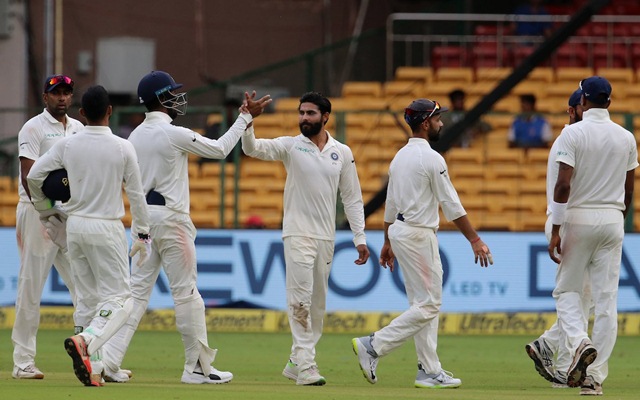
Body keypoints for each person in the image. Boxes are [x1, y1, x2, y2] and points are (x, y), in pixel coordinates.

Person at [99, 71, 272, 385]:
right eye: (172, 94)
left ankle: (109, 362)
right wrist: (244, 118)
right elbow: (220, 150)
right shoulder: (171, 133)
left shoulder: (134, 136)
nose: (178, 99)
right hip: (172, 220)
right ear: (162, 98)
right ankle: (195, 368)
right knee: (187, 295)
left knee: (135, 297)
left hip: (143, 220)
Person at [351, 98, 493, 389]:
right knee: (429, 306)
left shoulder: (400, 157)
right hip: (418, 235)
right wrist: (475, 239)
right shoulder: (432, 158)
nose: (442, 123)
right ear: (426, 123)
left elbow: (390, 205)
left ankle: (429, 370)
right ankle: (373, 345)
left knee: (421, 304)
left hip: (402, 232)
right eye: (438, 118)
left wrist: (388, 240)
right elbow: (451, 205)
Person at [26, 85, 152, 387]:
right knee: (124, 301)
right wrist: (143, 234)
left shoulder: (69, 145)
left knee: (86, 301)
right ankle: (87, 340)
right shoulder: (123, 147)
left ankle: (93, 369)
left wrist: (45, 211)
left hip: (76, 226)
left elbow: (33, 177)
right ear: (110, 111)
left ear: (82, 113)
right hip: (106, 226)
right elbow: (136, 195)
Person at [241, 91, 370, 386]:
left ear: (325, 117)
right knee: (299, 300)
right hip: (297, 233)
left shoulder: (342, 152)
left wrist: (359, 237)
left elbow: (352, 197)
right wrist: (249, 120)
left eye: (310, 113)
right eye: (301, 113)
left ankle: (295, 359)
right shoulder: (290, 146)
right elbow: (252, 149)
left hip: (326, 236)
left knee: (316, 306)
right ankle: (307, 366)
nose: (304, 118)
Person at [548, 76, 637, 395]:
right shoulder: (627, 137)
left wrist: (556, 229)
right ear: (609, 102)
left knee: (566, 292)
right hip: (613, 220)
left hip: (579, 217)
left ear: (582, 102)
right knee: (606, 301)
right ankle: (593, 378)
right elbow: (629, 190)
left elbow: (562, 186)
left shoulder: (572, 133)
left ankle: (579, 343)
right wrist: (616, 219)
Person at [12, 74, 87, 380]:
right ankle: (22, 362)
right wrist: (45, 212)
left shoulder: (79, 129)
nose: (62, 98)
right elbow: (28, 175)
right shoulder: (33, 127)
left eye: (67, 93)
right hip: (36, 212)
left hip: (67, 213)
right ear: (45, 97)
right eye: (56, 93)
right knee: (31, 287)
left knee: (84, 287)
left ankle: (94, 355)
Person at [525, 88, 594, 389]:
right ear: (572, 111)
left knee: (584, 298)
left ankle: (547, 347)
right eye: (582, 107)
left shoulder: (579, 140)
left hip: (574, 223)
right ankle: (565, 364)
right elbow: (563, 188)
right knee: (573, 296)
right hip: (565, 222)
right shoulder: (567, 141)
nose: (587, 112)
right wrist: (557, 229)